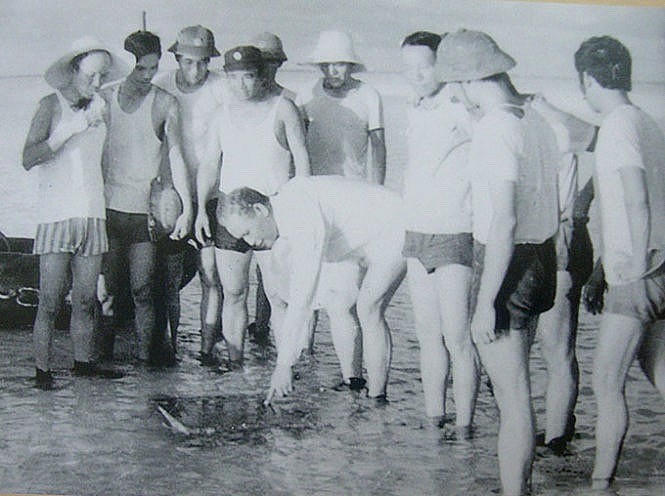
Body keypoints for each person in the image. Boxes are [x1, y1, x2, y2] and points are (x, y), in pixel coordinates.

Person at [437, 30, 560, 495]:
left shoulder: (495, 128)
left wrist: (487, 301)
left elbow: (504, 220)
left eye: (458, 86)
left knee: (513, 400)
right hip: (542, 256)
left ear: (471, 82)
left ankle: (516, 492)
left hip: (507, 262)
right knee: (518, 389)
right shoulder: (538, 122)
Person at [217, 176, 406, 403]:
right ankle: (354, 385)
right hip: (359, 238)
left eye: (247, 233)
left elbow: (302, 299)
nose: (250, 242)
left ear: (260, 210)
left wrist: (284, 365)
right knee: (339, 302)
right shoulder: (286, 210)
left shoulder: (299, 216)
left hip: (396, 225)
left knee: (369, 308)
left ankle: (377, 399)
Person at [573, 36, 665, 491]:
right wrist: (600, 271)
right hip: (654, 268)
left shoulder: (618, 127)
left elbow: (636, 198)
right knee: (659, 369)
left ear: (589, 79)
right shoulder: (646, 122)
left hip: (641, 271)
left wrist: (635, 266)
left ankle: (600, 483)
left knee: (605, 379)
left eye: (582, 83)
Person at [22, 37, 127, 389]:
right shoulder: (50, 106)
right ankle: (43, 372)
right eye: (91, 76)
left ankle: (84, 365)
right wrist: (67, 131)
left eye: (103, 77)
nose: (98, 84)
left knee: (86, 300)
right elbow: (28, 158)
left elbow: (106, 161)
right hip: (56, 215)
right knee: (50, 301)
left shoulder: (102, 106)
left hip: (92, 214)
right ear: (73, 71)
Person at [195, 46, 310, 367]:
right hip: (231, 217)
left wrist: (302, 207)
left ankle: (288, 369)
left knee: (278, 297)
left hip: (274, 215)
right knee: (233, 293)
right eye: (233, 79)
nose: (241, 86)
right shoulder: (221, 114)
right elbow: (208, 164)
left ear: (261, 77)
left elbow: (302, 160)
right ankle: (235, 365)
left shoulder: (283, 108)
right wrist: (202, 209)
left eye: (248, 78)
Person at [399, 31, 478, 431]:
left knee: (458, 337)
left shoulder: (462, 105)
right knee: (427, 336)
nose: (416, 75)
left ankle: (464, 428)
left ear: (442, 64)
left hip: (455, 231)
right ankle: (434, 421)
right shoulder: (414, 108)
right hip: (416, 231)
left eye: (424, 66)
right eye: (408, 67)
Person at [101, 30, 192, 365]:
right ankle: (101, 364)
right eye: (141, 69)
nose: (148, 75)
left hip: (144, 214)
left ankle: (143, 366)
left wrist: (185, 210)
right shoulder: (105, 99)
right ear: (127, 64)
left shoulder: (166, 103)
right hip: (109, 210)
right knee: (108, 292)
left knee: (143, 290)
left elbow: (178, 157)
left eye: (154, 68)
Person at [528, 95, 598, 455]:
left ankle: (557, 438)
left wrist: (582, 203)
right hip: (535, 239)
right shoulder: (498, 122)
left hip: (561, 239)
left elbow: (607, 145)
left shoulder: (551, 117)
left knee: (557, 346)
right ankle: (559, 426)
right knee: (544, 345)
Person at [154, 25, 225, 364]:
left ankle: (207, 351)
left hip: (212, 192)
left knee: (212, 275)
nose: (196, 70)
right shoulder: (163, 85)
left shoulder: (221, 88)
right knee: (168, 280)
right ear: (178, 58)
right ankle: (169, 348)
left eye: (203, 63)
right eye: (189, 62)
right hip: (173, 194)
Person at [246, 31, 297, 345]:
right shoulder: (238, 100)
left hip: (277, 196)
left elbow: (298, 153)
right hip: (241, 199)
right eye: (260, 63)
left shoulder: (290, 100)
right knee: (237, 279)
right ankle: (251, 332)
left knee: (276, 275)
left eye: (271, 62)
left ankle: (272, 334)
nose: (266, 69)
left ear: (279, 64)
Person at [298, 30, 386, 184]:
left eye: (339, 64)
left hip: (355, 185)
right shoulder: (307, 94)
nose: (332, 71)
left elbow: (378, 147)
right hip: (315, 185)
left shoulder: (369, 95)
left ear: (351, 65)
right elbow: (297, 144)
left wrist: (377, 189)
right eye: (326, 65)